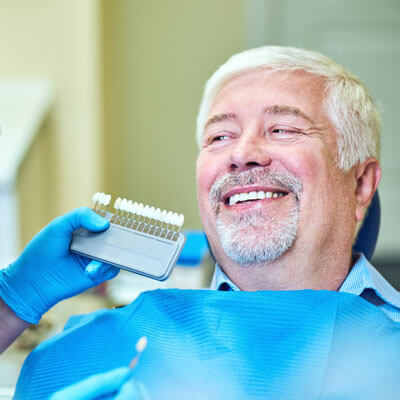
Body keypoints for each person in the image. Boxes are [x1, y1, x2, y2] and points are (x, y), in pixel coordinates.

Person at [1, 46, 400, 399]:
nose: (242, 153)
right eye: (220, 137)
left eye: (282, 129)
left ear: (361, 184)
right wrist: (13, 299)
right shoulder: (82, 353)